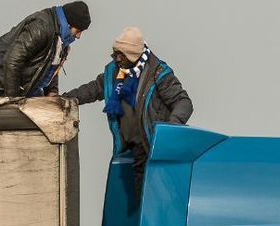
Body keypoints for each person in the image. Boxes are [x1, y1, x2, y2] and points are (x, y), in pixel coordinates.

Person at [65, 27, 193, 198]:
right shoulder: (113, 72)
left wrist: (169, 131)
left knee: (155, 201)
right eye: (115, 53)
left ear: (133, 55)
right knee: (139, 202)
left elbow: (183, 102)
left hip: (154, 149)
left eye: (121, 55)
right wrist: (65, 99)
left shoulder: (157, 73)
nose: (117, 59)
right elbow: (94, 89)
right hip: (131, 150)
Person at [0, 1, 91, 98]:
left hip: (25, 86)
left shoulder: (61, 38)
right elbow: (12, 61)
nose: (78, 36)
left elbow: (51, 65)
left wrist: (52, 92)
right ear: (68, 23)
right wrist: (13, 101)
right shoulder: (41, 27)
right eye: (78, 30)